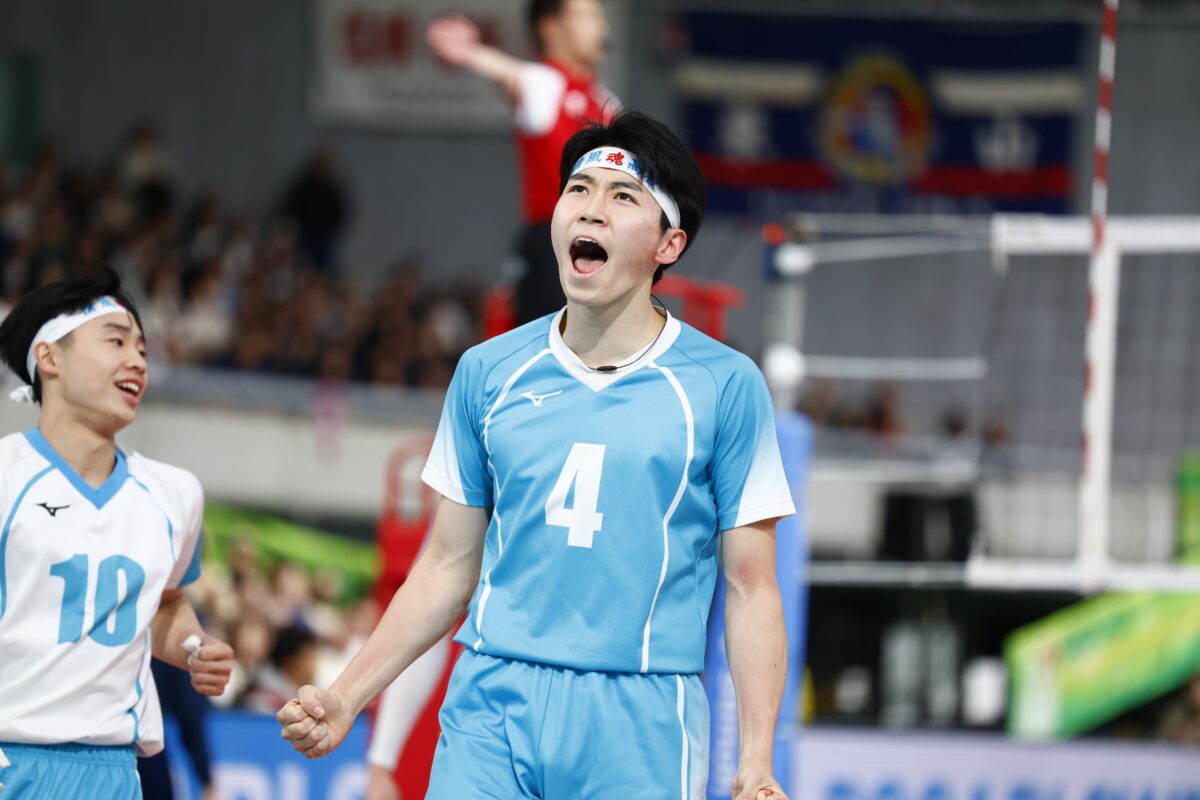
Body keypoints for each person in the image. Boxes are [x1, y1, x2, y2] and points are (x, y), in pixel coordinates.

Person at [279, 110, 795, 800]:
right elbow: (445, 566)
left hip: (641, 718)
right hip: (491, 703)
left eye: (622, 197)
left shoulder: (724, 386)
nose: (592, 209)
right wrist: (347, 696)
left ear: (669, 244)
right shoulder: (487, 372)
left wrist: (756, 757)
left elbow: (752, 587)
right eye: (578, 190)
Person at [0, 265, 233, 798]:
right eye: (116, 341)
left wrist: (194, 645)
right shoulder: (6, 476)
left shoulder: (176, 494)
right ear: (49, 358)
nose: (138, 361)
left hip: (116, 771)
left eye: (143, 350)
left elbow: (165, 603)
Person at [426, 0, 619, 325]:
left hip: (605, 244)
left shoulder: (607, 103)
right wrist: (470, 52)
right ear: (551, 28)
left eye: (600, 18)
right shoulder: (545, 85)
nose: (601, 27)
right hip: (555, 245)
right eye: (587, 16)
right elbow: (511, 74)